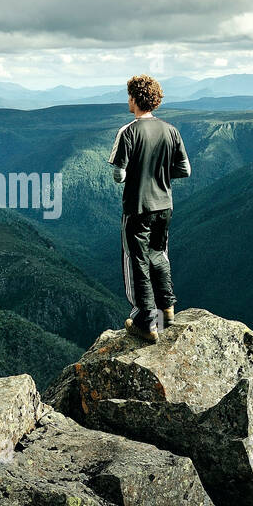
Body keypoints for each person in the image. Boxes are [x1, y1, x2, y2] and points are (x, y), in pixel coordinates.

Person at [107, 75, 191, 343]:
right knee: (159, 254)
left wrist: (137, 172)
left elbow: (119, 175)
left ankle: (146, 323)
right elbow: (185, 170)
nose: (128, 100)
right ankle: (167, 310)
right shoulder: (171, 130)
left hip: (137, 206)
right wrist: (160, 173)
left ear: (134, 98)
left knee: (138, 261)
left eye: (129, 95)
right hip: (164, 205)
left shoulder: (128, 132)